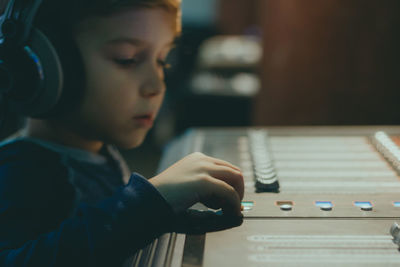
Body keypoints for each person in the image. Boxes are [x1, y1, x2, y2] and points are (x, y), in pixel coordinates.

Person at [0, 0, 244, 266]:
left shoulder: (93, 152)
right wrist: (149, 203)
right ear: (47, 65)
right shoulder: (19, 172)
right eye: (127, 59)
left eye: (162, 60)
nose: (156, 85)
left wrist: (165, 219)